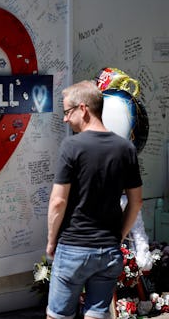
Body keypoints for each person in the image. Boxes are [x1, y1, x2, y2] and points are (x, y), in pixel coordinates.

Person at [46, 80, 143, 319]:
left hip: (73, 247)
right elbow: (136, 201)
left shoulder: (72, 146)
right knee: (97, 314)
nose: (65, 119)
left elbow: (58, 202)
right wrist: (119, 236)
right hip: (108, 250)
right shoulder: (125, 149)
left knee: (58, 316)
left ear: (83, 109)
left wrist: (50, 242)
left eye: (67, 112)